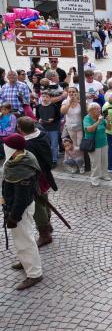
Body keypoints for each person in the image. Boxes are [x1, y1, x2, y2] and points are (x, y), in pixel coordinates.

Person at [1, 133, 44, 290]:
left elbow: (22, 198)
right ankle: (25, 261)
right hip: (15, 206)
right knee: (22, 238)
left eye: (6, 145)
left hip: (20, 209)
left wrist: (14, 217)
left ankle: (34, 273)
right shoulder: (17, 160)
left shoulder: (22, 168)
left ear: (13, 149)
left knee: (25, 240)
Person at [17, 117, 59, 247]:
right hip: (44, 174)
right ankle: (47, 224)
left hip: (36, 177)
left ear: (20, 129)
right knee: (44, 198)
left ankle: (45, 234)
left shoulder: (28, 144)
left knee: (37, 204)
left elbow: (27, 163)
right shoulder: (41, 133)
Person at [84, 103, 112, 187]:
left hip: (103, 142)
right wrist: (98, 122)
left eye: (99, 108)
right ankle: (95, 178)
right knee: (95, 163)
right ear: (91, 110)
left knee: (104, 160)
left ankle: (104, 174)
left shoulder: (101, 117)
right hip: (94, 144)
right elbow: (89, 130)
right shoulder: (87, 118)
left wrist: (109, 121)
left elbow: (109, 128)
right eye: (97, 109)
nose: (99, 110)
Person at [36, 94, 60, 167]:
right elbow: (37, 116)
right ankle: (46, 159)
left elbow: (58, 117)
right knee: (45, 144)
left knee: (54, 145)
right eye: (43, 96)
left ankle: (54, 160)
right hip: (42, 128)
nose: (45, 98)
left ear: (50, 98)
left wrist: (53, 119)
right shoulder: (38, 106)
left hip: (53, 128)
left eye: (47, 97)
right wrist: (39, 120)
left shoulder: (54, 106)